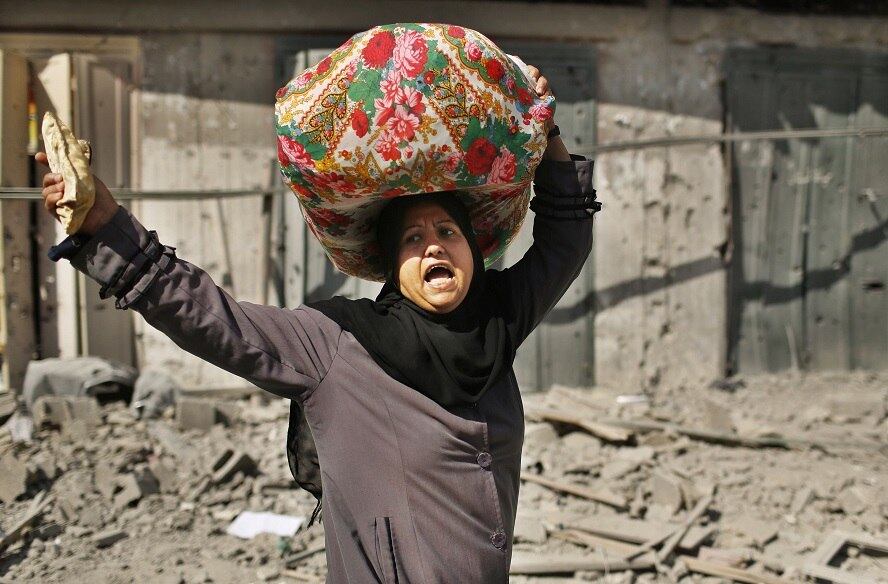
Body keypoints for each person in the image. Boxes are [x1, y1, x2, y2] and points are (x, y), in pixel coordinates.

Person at [39, 61, 599, 582]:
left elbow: (565, 242)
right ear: (391, 265)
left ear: (473, 250)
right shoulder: (340, 344)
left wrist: (544, 132)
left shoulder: (497, 319)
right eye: (413, 238)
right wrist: (102, 224)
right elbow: (212, 317)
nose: (434, 248)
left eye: (448, 232)